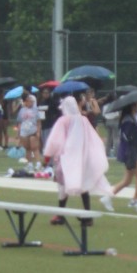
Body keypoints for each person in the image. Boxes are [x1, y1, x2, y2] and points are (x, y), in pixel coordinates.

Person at [41, 94, 114, 222]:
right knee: (83, 184)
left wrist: (47, 157)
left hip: (66, 157)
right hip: (82, 156)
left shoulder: (63, 121)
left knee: (62, 185)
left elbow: (55, 140)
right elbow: (91, 137)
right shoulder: (83, 120)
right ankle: (87, 215)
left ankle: (60, 215)